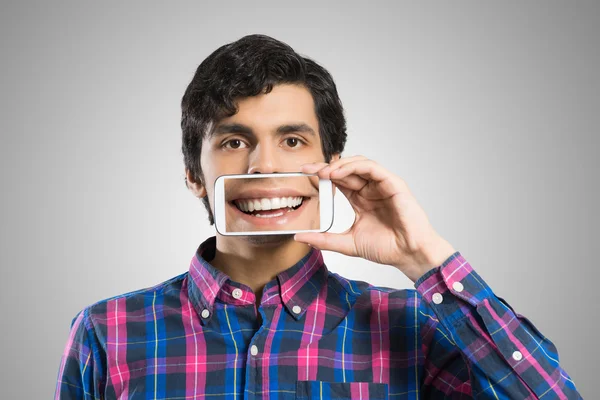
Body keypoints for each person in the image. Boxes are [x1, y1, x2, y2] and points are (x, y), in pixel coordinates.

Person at [54, 34, 582, 399]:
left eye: (292, 140)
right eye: (235, 141)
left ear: (331, 165)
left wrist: (424, 257)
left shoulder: (414, 325)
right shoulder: (106, 333)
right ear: (194, 172)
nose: (264, 166)